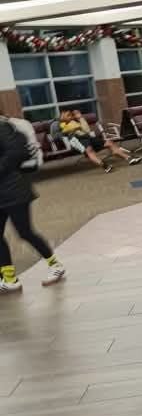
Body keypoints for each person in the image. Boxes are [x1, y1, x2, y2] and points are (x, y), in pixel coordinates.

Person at [0, 118, 65, 293]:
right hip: (3, 193)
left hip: (14, 191)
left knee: (25, 232)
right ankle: (10, 279)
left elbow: (15, 153)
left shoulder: (3, 127)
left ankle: (55, 266)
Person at [59, 110, 142, 172]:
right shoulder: (61, 124)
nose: (71, 116)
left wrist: (81, 118)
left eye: (71, 115)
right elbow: (63, 132)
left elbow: (87, 130)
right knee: (90, 151)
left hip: (87, 137)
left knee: (109, 143)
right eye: (68, 115)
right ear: (63, 117)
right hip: (77, 140)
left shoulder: (75, 121)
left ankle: (129, 158)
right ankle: (105, 166)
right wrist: (74, 129)